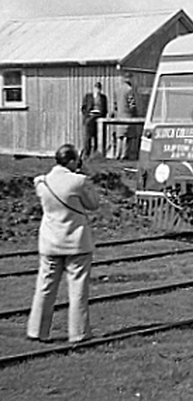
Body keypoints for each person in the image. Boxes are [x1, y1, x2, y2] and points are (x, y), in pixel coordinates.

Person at [27, 144, 99, 343]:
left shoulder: (41, 182)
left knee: (45, 287)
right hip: (76, 242)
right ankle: (78, 333)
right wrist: (86, 177)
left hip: (50, 241)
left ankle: (36, 330)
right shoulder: (79, 181)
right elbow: (93, 204)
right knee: (77, 290)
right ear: (72, 161)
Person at [113, 74, 139, 160]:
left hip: (119, 116)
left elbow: (115, 105)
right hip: (128, 116)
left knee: (120, 136)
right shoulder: (129, 90)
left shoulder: (117, 89)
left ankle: (118, 154)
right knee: (128, 137)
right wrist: (135, 112)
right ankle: (125, 155)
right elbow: (132, 104)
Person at [80, 82, 108, 159]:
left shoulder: (103, 97)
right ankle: (87, 153)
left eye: (99, 89)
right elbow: (83, 108)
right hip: (90, 117)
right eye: (96, 88)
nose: (98, 90)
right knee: (88, 136)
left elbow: (105, 109)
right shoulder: (88, 97)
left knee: (98, 136)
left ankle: (96, 153)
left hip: (99, 117)